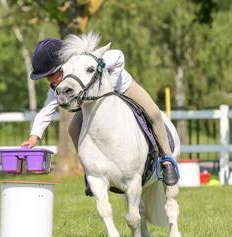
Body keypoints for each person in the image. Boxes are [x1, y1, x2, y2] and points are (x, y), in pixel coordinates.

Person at [22, 36, 179, 191]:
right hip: (95, 103)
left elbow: (118, 56)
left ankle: (167, 159)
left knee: (153, 113)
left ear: (65, 64)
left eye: (51, 75)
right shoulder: (60, 86)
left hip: (123, 89)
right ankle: (89, 171)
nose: (50, 81)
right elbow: (46, 110)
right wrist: (34, 136)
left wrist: (110, 86)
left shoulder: (93, 58)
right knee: (73, 129)